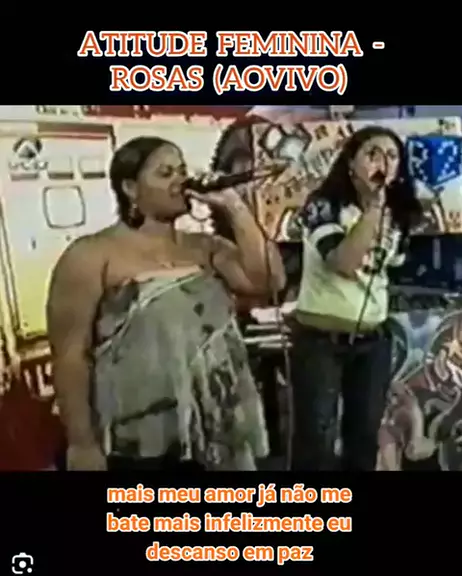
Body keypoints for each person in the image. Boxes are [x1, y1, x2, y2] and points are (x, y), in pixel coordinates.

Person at [46, 136, 286, 471]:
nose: (181, 181)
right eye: (165, 173)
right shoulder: (91, 255)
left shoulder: (205, 247)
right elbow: (70, 355)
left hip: (217, 431)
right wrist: (81, 442)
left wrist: (234, 206)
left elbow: (269, 281)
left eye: (182, 170)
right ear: (130, 188)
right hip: (140, 437)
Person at [290, 125, 423, 471]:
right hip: (321, 340)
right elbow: (343, 262)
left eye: (392, 156)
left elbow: (388, 266)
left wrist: (384, 212)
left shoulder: (397, 215)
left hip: (372, 340)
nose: (383, 164)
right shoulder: (323, 206)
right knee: (317, 441)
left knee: (364, 438)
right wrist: (373, 211)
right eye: (373, 154)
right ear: (351, 162)